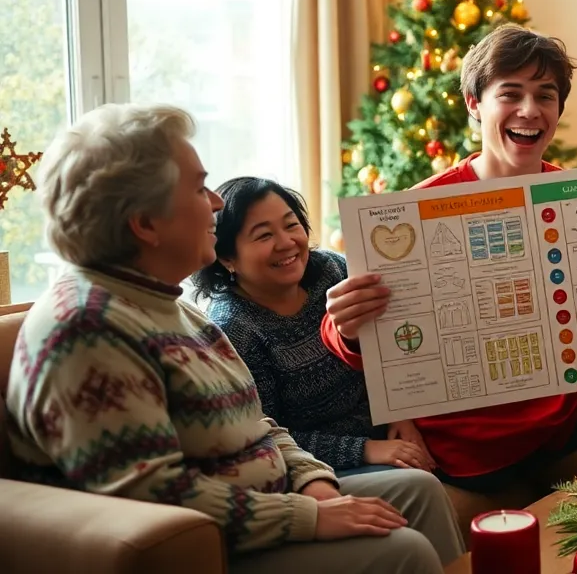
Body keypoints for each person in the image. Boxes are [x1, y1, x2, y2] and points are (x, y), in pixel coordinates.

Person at [5, 104, 463, 573]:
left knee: (419, 491)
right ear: (145, 223)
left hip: (275, 496)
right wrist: (309, 515)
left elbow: (259, 425)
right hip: (214, 541)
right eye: (199, 188)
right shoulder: (89, 329)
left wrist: (315, 486)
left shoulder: (170, 305)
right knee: (402, 551)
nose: (216, 203)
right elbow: (154, 494)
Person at [321, 24, 577, 494]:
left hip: (556, 421)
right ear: (474, 104)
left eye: (546, 95)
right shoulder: (414, 212)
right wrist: (345, 326)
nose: (530, 110)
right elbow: (353, 335)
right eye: (511, 93)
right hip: (469, 448)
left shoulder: (576, 198)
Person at [194, 177, 434, 477]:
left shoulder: (333, 270)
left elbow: (390, 343)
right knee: (418, 483)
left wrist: (401, 413)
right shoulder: (234, 329)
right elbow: (267, 437)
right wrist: (364, 450)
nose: (286, 242)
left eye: (291, 225)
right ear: (227, 257)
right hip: (315, 465)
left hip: (387, 428)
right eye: (264, 235)